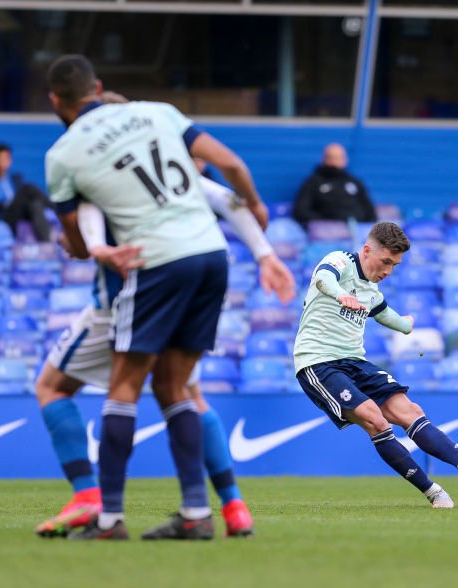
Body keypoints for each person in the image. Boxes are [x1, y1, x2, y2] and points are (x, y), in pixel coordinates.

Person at [44, 54, 269, 541]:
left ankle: (101, 511)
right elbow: (231, 172)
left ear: (55, 101)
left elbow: (83, 242)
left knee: (88, 388)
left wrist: (87, 246)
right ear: (100, 90)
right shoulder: (159, 116)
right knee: (182, 390)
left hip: (141, 278)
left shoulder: (69, 157)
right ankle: (216, 508)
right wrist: (262, 238)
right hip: (210, 257)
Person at [35, 165, 296, 539]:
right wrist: (264, 252)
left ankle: (92, 499)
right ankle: (232, 506)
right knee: (189, 395)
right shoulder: (175, 176)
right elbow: (229, 194)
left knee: (53, 387)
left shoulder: (102, 174)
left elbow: (84, 240)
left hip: (121, 303)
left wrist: (76, 241)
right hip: (185, 290)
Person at [294, 222, 458, 508]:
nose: (388, 271)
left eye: (395, 265)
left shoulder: (371, 292)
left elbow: (384, 313)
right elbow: (323, 280)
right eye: (385, 262)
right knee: (375, 420)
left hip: (355, 361)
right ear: (367, 250)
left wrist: (406, 325)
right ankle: (433, 492)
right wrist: (341, 294)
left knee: (411, 411)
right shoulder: (338, 261)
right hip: (318, 361)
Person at [0, 143, 55, 242]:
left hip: (19, 212)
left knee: (35, 205)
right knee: (29, 189)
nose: (3, 162)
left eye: (6, 159)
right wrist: (1, 206)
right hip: (2, 215)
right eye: (0, 159)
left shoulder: (15, 179)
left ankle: (47, 243)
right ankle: (58, 209)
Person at [292, 143, 377, 225]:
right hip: (328, 232)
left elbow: (370, 210)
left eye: (339, 157)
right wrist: (326, 222)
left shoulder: (355, 182)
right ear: (324, 159)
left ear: (346, 160)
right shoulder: (313, 183)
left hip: (357, 229)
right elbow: (301, 210)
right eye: (331, 157)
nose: (335, 161)